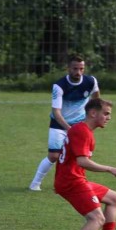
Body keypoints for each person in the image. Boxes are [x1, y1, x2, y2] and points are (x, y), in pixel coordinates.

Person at [54, 98, 116, 230]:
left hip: (75, 179)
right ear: (93, 113)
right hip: (71, 182)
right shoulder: (82, 131)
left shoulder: (82, 129)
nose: (109, 117)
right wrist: (110, 169)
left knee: (113, 198)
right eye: (106, 114)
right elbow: (83, 161)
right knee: (97, 218)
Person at [29, 55, 100, 191]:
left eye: (81, 69)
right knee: (54, 156)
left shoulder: (91, 81)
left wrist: (94, 119)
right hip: (59, 124)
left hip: (80, 124)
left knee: (80, 156)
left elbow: (96, 102)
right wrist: (69, 128)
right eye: (75, 69)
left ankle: (76, 182)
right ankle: (35, 183)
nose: (78, 72)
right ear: (68, 69)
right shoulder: (59, 86)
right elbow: (56, 112)